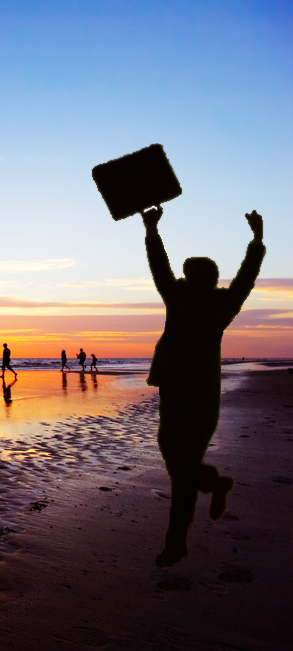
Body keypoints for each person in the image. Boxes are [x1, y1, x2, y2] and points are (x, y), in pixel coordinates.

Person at [143, 206, 265, 567]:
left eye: (188, 274)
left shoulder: (213, 302)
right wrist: (151, 230)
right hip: (175, 392)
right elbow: (162, 270)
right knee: (174, 457)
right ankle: (213, 483)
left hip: (198, 397)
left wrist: (152, 230)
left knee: (181, 472)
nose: (182, 278)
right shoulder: (194, 299)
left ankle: (176, 543)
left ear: (202, 277)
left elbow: (245, 278)